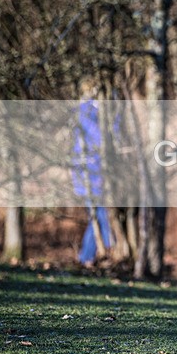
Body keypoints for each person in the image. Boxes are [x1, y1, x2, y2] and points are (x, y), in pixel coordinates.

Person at [72, 97, 113, 264]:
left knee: (99, 216)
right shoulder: (87, 113)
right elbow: (100, 141)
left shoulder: (91, 111)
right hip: (92, 175)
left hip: (96, 174)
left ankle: (89, 256)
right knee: (100, 216)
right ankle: (89, 256)